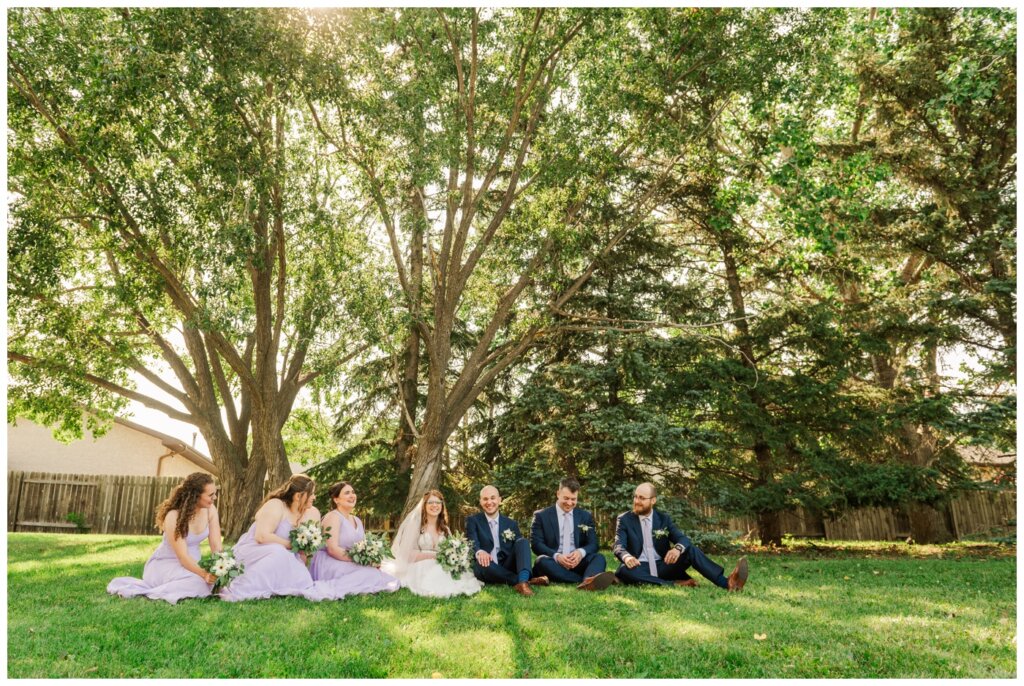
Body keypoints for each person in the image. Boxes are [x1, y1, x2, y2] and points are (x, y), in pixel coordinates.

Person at [220, 475, 342, 602]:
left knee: (302, 578)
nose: (314, 497)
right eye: (311, 494)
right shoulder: (276, 505)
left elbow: (305, 549)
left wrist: (302, 561)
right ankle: (241, 588)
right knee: (278, 552)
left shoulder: (308, 512)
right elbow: (261, 536)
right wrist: (292, 545)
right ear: (298, 496)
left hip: (287, 556)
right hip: (256, 551)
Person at [108, 472, 222, 604]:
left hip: (193, 565)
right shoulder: (173, 516)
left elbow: (216, 544)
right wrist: (204, 574)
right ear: (195, 495)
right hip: (165, 565)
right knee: (199, 583)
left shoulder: (210, 510)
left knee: (212, 583)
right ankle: (150, 593)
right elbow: (182, 556)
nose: (215, 498)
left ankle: (186, 585)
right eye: (210, 495)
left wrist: (221, 567)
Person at [613, 482, 748, 591]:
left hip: (664, 566)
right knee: (625, 571)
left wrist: (677, 549)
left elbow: (683, 539)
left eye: (642, 498)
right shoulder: (625, 519)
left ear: (653, 500)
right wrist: (627, 557)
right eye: (636, 497)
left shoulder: (663, 519)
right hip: (639, 567)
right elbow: (619, 545)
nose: (637, 501)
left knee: (690, 550)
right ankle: (674, 584)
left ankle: (727, 583)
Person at [382, 490, 482, 598]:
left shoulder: (445, 529)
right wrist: (433, 556)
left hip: (440, 564)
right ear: (424, 505)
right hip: (419, 565)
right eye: (430, 502)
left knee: (448, 574)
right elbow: (407, 554)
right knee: (437, 575)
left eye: (438, 502)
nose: (435, 505)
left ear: (442, 506)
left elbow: (450, 550)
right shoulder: (415, 526)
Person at [309, 481, 400, 596]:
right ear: (336, 500)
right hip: (331, 561)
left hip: (349, 559)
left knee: (382, 573)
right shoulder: (333, 517)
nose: (352, 495)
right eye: (347, 493)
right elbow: (332, 549)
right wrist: (360, 561)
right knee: (369, 574)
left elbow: (361, 547)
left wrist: (370, 558)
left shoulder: (357, 520)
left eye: (353, 492)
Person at [530, 478, 616, 591]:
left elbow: (593, 544)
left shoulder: (585, 516)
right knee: (541, 561)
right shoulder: (541, 516)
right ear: (558, 494)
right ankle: (586, 581)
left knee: (599, 557)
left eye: (573, 499)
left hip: (578, 563)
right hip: (554, 563)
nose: (569, 503)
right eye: (566, 498)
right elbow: (536, 544)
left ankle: (587, 580)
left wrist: (580, 552)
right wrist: (557, 556)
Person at [465, 485, 549, 597]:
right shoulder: (473, 520)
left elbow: (519, 550)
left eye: (492, 498)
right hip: (487, 566)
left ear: (499, 500)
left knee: (523, 542)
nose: (489, 502)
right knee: (480, 564)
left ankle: (522, 581)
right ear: (480, 501)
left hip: (506, 564)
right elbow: (472, 540)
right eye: (485, 499)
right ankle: (524, 581)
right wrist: (479, 552)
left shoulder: (511, 523)